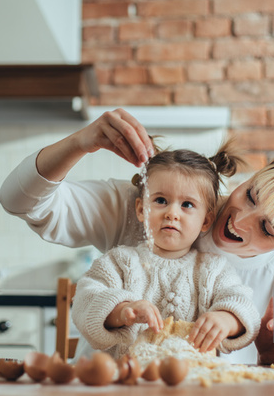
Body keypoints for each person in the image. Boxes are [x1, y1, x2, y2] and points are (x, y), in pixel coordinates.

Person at [0, 109, 274, 364]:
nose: (238, 219)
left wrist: (273, 351)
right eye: (251, 194)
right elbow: (19, 201)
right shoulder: (159, 206)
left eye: (266, 229)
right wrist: (80, 143)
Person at [71, 146, 260, 360]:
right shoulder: (120, 261)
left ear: (206, 220)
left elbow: (244, 306)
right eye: (161, 201)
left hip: (194, 384)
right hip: (127, 383)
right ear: (142, 210)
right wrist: (123, 311)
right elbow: (84, 301)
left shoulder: (214, 269)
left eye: (187, 204)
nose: (172, 213)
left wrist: (227, 320)